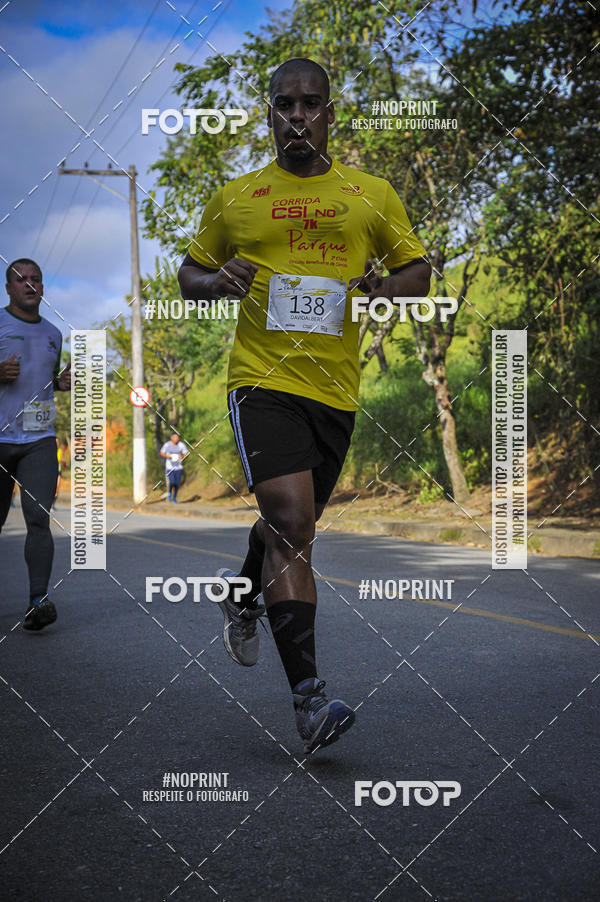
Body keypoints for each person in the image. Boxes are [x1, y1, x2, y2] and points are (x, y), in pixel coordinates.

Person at [178, 58, 431, 753]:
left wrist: (387, 286)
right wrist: (216, 279)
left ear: (329, 113)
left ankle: (242, 592)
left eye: (310, 104)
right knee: (293, 524)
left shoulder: (370, 194)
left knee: (287, 529)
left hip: (335, 393)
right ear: (269, 114)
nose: (297, 117)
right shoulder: (237, 197)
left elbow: (418, 268)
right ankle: (310, 703)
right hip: (261, 382)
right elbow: (188, 271)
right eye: (285, 104)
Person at [0, 258, 71, 630]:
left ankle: (38, 601)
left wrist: (61, 383)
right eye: (20, 280)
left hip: (39, 440)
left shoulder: (54, 334)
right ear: (8, 287)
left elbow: (44, 378)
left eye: (35, 279)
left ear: (43, 287)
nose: (29, 284)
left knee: (38, 518)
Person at [159, 432, 188, 503]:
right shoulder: (167, 445)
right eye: (174, 437)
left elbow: (186, 453)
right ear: (171, 438)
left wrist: (182, 456)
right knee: (172, 481)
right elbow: (161, 453)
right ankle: (169, 492)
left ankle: (174, 497)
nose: (176, 439)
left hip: (179, 467)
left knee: (177, 483)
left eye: (177, 437)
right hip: (170, 467)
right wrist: (168, 456)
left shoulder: (181, 445)